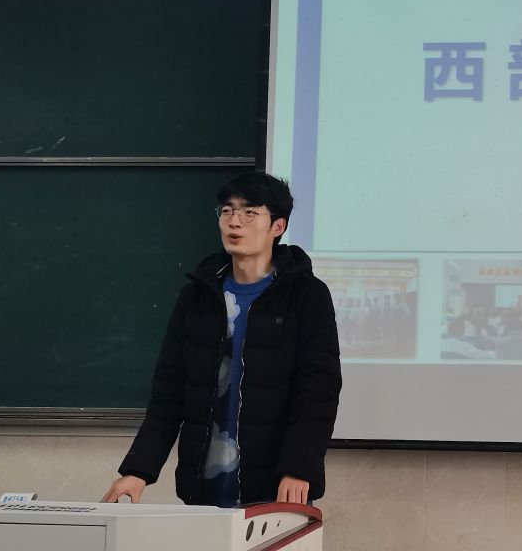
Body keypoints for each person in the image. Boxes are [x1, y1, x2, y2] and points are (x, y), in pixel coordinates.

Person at [102, 172, 342, 508]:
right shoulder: (197, 297)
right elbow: (169, 390)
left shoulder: (306, 296)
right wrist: (138, 470)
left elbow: (318, 392)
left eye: (249, 212)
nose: (234, 221)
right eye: (227, 211)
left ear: (278, 226)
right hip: (202, 488)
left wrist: (298, 468)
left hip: (277, 487)